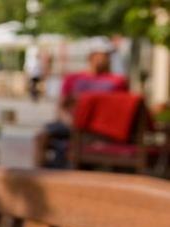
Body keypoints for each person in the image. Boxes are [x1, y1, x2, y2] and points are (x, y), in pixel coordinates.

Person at [36, 39, 128, 168]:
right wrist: (70, 121)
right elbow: (62, 105)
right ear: (91, 56)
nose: (104, 58)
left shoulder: (118, 81)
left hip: (102, 129)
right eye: (101, 54)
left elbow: (122, 110)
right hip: (72, 124)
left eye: (107, 55)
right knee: (43, 136)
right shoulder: (73, 78)